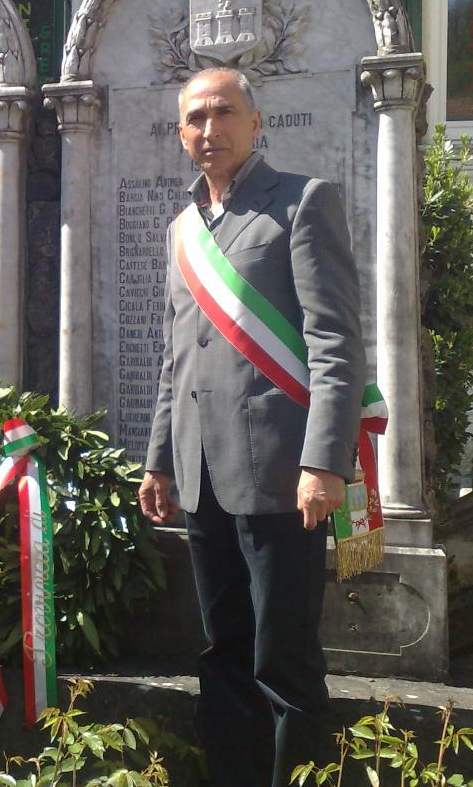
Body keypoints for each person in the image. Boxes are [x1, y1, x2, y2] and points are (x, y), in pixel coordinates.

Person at [139, 68, 365, 787]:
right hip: (203, 476)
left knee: (285, 658)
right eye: (195, 119)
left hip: (282, 476)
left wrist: (325, 462)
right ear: (181, 134)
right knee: (224, 649)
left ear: (256, 120)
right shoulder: (182, 229)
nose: (210, 130)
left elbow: (335, 343)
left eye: (224, 113)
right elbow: (177, 356)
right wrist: (159, 461)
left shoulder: (301, 203)